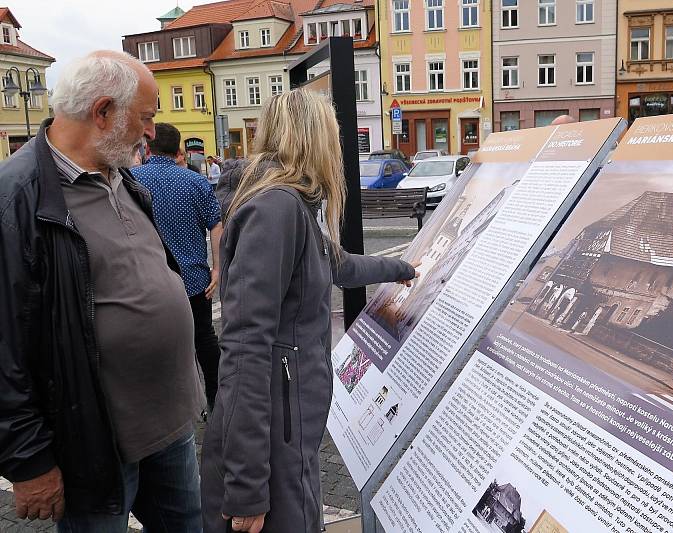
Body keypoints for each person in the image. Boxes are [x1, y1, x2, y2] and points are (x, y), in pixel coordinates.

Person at [0, 50, 203, 532]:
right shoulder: (17, 198)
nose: (152, 132)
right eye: (147, 117)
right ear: (103, 111)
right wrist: (28, 462)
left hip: (170, 427)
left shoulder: (124, 178)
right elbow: (4, 346)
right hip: (94, 445)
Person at [200, 89, 418, 533]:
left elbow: (334, 262)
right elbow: (243, 347)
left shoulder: (291, 204)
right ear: (313, 139)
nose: (338, 149)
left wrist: (401, 267)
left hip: (287, 423)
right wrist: (246, 487)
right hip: (275, 432)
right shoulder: (278, 208)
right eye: (333, 137)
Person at [131, 122, 223, 413]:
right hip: (195, 278)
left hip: (149, 280)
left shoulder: (130, 180)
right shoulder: (196, 181)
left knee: (158, 345)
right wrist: (217, 268)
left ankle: (168, 408)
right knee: (204, 338)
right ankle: (215, 399)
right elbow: (217, 226)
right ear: (178, 149)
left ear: (149, 146)